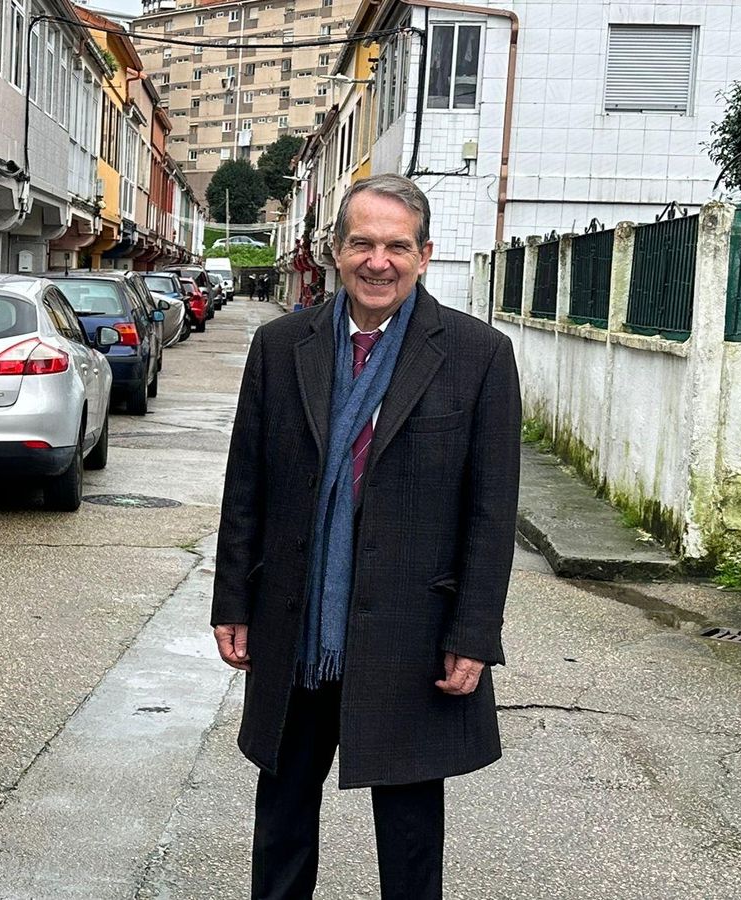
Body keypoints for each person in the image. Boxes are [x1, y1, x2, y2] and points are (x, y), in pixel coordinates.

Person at [211, 174, 521, 900]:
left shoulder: (477, 355)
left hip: (414, 631)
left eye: (396, 246)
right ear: (335, 253)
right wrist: (233, 601)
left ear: (425, 254)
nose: (377, 261)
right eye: (362, 244)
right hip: (298, 622)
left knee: (411, 837)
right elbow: (246, 484)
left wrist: (474, 634)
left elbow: (491, 511)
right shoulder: (283, 345)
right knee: (282, 819)